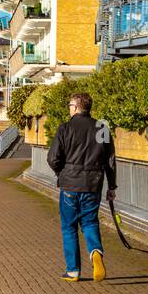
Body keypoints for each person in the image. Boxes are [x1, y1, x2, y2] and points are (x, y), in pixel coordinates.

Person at [46, 92, 116, 282]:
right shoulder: (102, 128)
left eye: (70, 105)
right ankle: (95, 252)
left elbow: (52, 158)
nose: (69, 108)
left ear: (76, 107)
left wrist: (62, 173)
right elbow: (110, 160)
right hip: (93, 184)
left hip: (70, 184)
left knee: (69, 227)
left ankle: (73, 270)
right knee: (90, 222)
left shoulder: (65, 128)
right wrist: (112, 186)